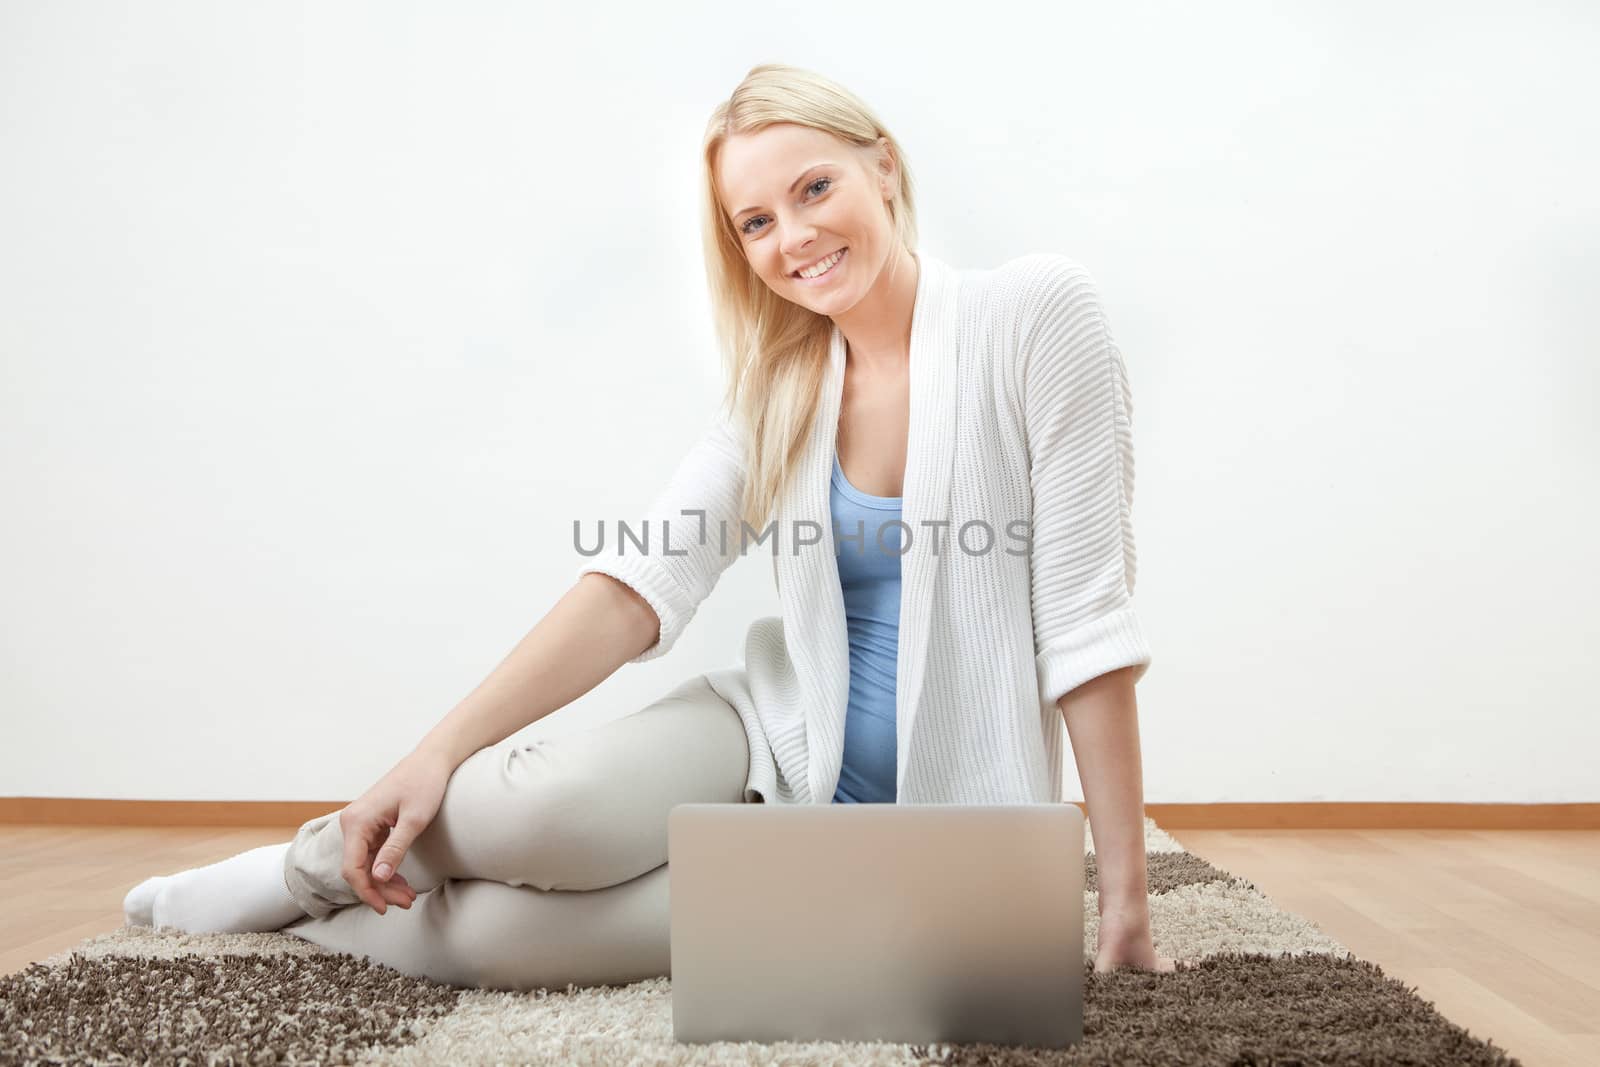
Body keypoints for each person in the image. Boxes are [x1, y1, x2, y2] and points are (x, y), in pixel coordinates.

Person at [121, 62, 1183, 989]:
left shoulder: (1036, 315)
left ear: (885, 167)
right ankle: (294, 872)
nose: (795, 238)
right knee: (515, 810)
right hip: (769, 730)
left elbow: (1086, 623)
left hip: (922, 851)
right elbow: (640, 584)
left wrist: (1120, 899)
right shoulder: (783, 384)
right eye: (756, 222)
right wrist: (430, 751)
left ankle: (319, 923)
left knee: (492, 939)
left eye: (815, 188)